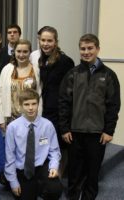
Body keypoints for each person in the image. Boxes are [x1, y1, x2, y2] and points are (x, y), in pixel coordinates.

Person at [59, 34, 121, 200]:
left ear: (97, 49)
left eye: (90, 48)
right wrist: (64, 128)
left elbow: (113, 105)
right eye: (83, 49)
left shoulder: (108, 75)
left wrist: (109, 130)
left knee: (92, 172)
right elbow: (64, 103)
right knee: (74, 172)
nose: (86, 52)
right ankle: (73, 196)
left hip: (97, 133)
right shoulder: (72, 74)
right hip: (75, 132)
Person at [5, 88, 63, 200]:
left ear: (38, 104)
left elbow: (54, 151)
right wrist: (13, 182)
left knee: (55, 190)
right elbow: (10, 157)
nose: (31, 108)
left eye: (34, 104)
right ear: (20, 105)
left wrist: (54, 167)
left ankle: (41, 189)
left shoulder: (47, 125)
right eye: (26, 104)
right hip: (23, 169)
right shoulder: (13, 127)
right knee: (24, 195)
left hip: (41, 166)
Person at [38, 26, 74, 151]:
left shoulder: (65, 61)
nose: (45, 44)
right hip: (45, 111)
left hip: (59, 113)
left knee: (59, 147)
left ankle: (60, 171)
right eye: (43, 40)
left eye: (49, 41)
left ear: (56, 42)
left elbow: (69, 93)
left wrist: (65, 120)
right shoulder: (42, 60)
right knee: (46, 145)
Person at [0, 39, 41, 132]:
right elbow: (0, 95)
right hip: (10, 119)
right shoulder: (7, 69)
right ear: (14, 52)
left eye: (25, 51)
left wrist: (39, 116)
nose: (21, 55)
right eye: (19, 51)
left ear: (30, 53)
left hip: (31, 117)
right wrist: (0, 118)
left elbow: (40, 95)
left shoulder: (36, 70)